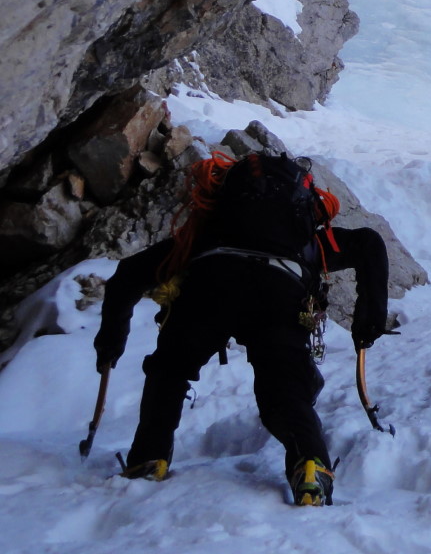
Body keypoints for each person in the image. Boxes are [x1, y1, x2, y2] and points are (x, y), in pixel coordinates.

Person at [92, 151, 390, 506]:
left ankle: (148, 458)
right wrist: (368, 323)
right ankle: (310, 465)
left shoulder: (208, 231)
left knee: (170, 370)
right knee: (284, 390)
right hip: (279, 293)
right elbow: (370, 243)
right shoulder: (305, 238)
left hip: (209, 285)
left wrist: (110, 343)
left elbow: (128, 274)